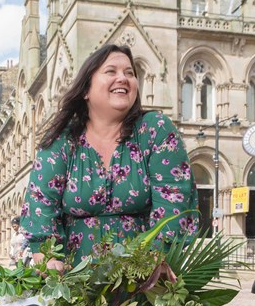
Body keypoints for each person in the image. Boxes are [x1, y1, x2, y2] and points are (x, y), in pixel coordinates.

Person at [18, 43, 197, 271]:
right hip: (74, 280)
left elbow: (173, 204)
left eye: (130, 73)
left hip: (145, 276)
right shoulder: (62, 141)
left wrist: (155, 264)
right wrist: (49, 261)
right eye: (111, 71)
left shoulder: (155, 130)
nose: (123, 78)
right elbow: (40, 205)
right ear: (85, 90)